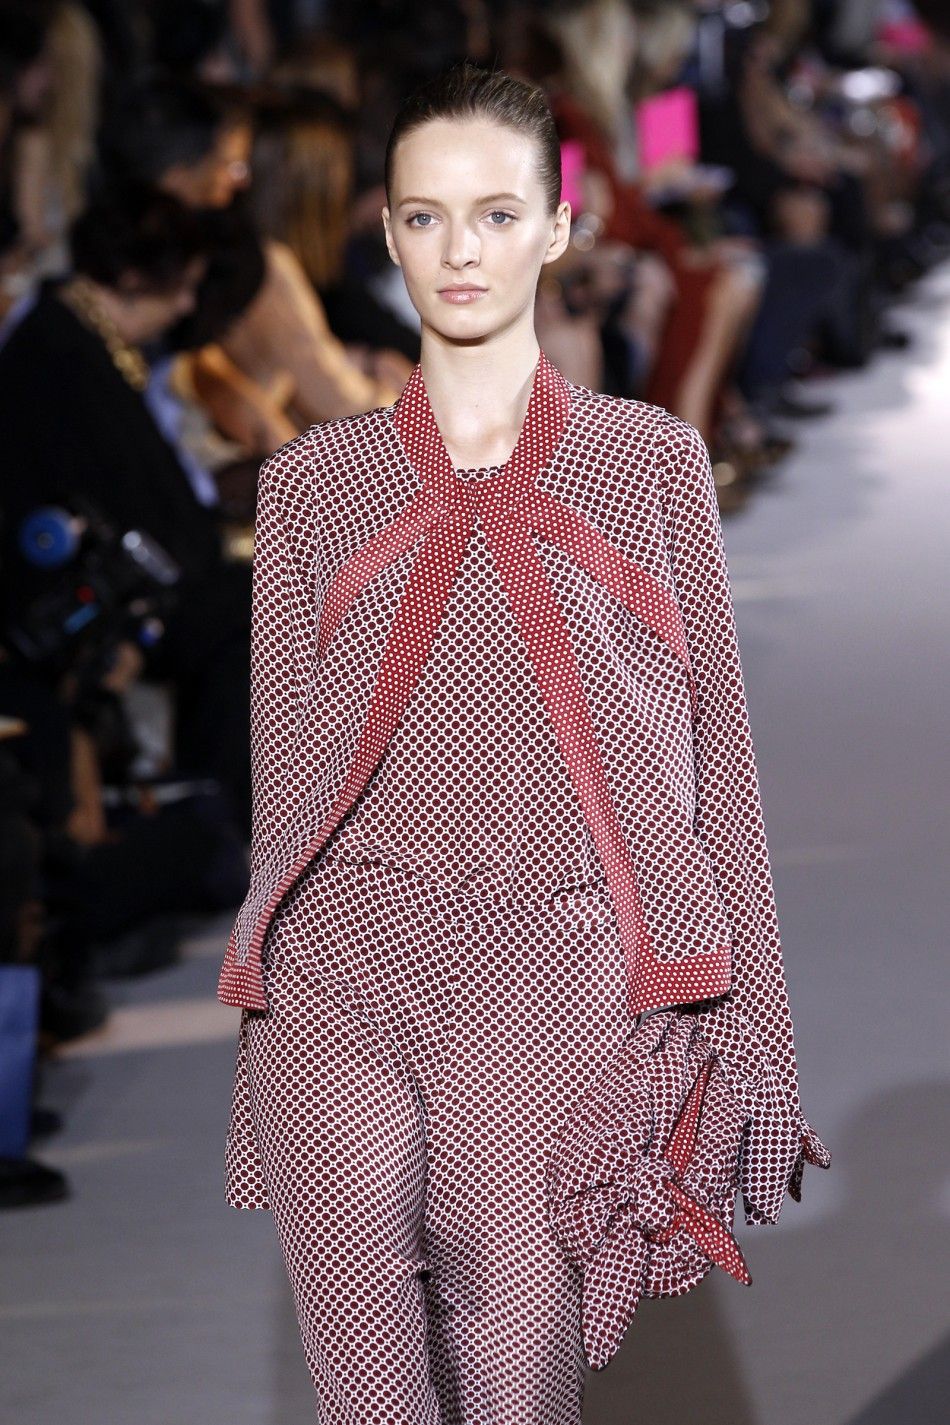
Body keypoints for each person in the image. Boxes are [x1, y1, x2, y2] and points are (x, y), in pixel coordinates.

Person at [218, 60, 829, 1424]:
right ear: (383, 232)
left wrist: (751, 1033)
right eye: (425, 217)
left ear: (559, 226)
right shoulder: (311, 483)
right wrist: (257, 1009)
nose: (460, 252)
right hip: (338, 964)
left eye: (496, 215)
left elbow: (716, 754)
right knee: (366, 1381)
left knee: (510, 1365)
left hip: (549, 966)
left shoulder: (643, 462)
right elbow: (282, 782)